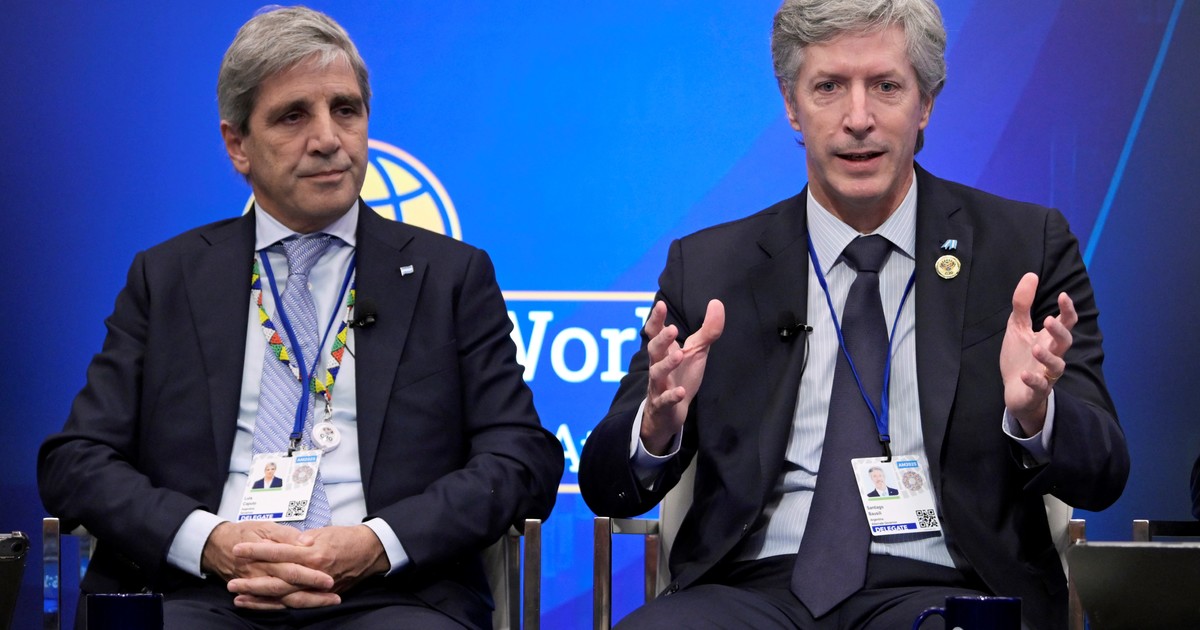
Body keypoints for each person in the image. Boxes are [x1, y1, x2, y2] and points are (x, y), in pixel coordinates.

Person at [578, 0, 1128, 628]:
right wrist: (656, 426)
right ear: (792, 105)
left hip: (946, 589)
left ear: (925, 103)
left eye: (886, 86)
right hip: (750, 593)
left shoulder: (1023, 251)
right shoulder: (709, 268)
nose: (858, 118)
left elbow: (1104, 474)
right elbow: (605, 484)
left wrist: (1037, 415)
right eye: (829, 87)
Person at [38, 7, 563, 629]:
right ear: (238, 144)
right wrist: (207, 540)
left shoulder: (450, 276)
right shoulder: (168, 276)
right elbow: (76, 460)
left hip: (391, 595)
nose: (327, 138)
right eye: (293, 116)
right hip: (198, 593)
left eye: (345, 110)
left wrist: (377, 543)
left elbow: (522, 457)